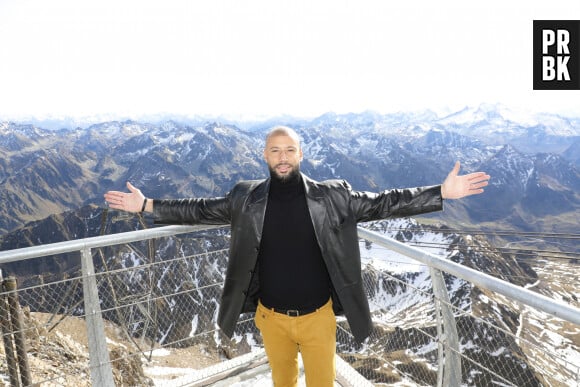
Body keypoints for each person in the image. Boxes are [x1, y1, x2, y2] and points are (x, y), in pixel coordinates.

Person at [104, 126, 490, 387]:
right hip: (270, 319)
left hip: (318, 317)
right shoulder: (245, 198)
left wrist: (440, 192)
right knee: (282, 383)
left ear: (300, 154)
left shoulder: (333, 196)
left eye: (289, 150)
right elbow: (200, 209)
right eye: (276, 151)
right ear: (265, 156)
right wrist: (147, 204)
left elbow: (386, 202)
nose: (283, 157)